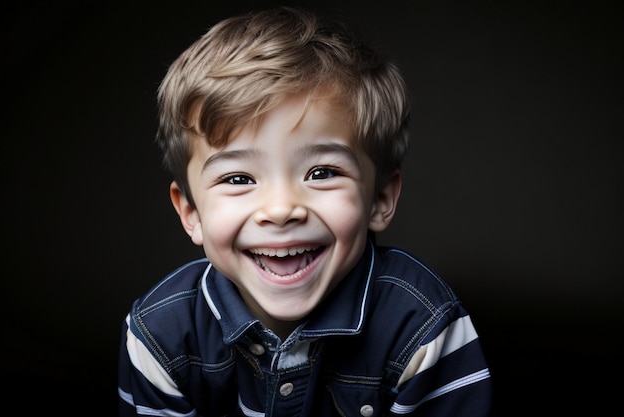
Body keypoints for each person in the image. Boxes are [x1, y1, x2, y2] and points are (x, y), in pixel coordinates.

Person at [118, 6, 494, 416]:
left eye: (321, 172)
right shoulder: (159, 334)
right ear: (191, 213)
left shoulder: (422, 326)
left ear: (381, 199)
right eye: (239, 179)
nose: (280, 210)